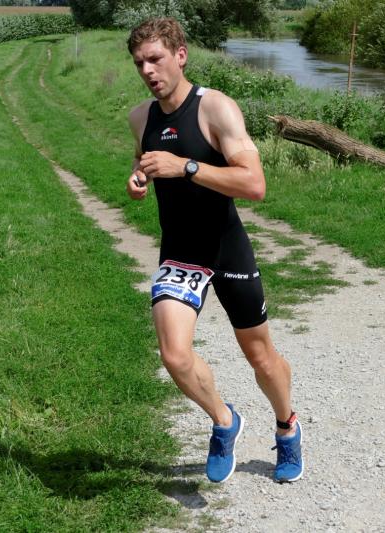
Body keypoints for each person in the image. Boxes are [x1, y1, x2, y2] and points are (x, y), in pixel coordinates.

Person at [125, 18, 303, 484]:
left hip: (226, 249)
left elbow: (254, 184)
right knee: (174, 356)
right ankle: (225, 421)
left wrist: (184, 166)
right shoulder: (141, 117)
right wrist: (139, 178)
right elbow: (144, 161)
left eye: (155, 59)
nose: (148, 70)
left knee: (261, 357)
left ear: (180, 55)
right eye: (140, 63)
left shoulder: (215, 108)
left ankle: (287, 425)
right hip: (181, 252)